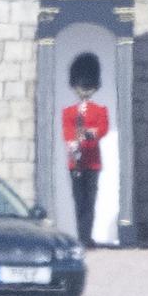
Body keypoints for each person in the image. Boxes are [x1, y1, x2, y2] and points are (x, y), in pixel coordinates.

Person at [62, 53, 108, 248]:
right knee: (79, 201)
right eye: (81, 86)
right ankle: (81, 235)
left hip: (92, 161)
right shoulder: (69, 112)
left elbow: (103, 128)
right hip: (75, 161)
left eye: (87, 86)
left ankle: (86, 237)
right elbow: (67, 130)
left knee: (90, 201)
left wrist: (90, 135)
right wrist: (73, 143)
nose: (83, 90)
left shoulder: (99, 110)